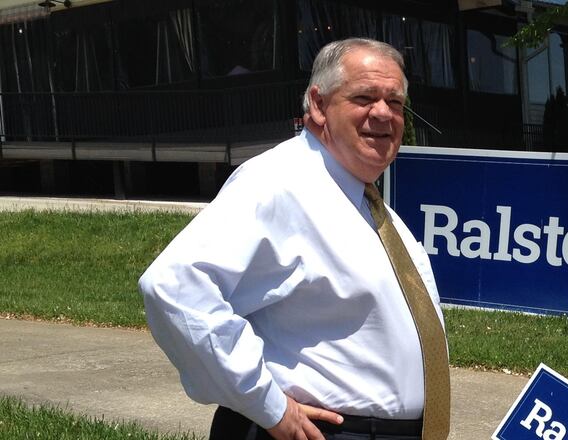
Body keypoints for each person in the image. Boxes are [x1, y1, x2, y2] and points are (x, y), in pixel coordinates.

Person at [138, 38, 449, 440]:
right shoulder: (280, 183)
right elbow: (174, 287)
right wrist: (268, 405)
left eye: (395, 102)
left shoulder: (365, 203)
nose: (383, 113)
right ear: (318, 105)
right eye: (364, 97)